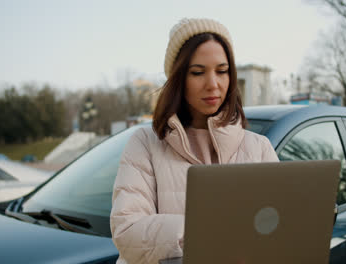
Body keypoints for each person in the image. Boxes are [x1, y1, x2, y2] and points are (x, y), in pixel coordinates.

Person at [110, 18, 279, 264]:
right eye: (198, 72)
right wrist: (210, 231)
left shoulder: (259, 148)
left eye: (222, 71)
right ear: (179, 77)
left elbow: (278, 228)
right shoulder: (145, 143)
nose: (213, 84)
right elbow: (128, 232)